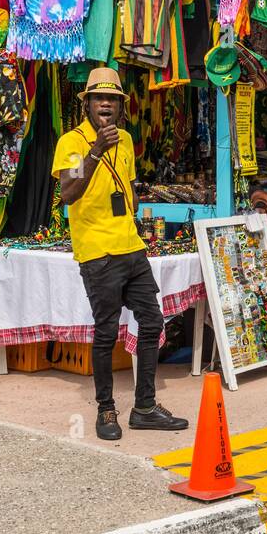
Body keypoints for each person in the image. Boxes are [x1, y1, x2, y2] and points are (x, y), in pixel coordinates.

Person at [52, 68, 189, 441]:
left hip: (131, 246)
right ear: (88, 105)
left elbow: (128, 188)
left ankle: (144, 407)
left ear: (120, 107)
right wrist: (96, 150)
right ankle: (106, 409)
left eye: (112, 99)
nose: (106, 105)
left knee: (152, 321)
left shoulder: (126, 140)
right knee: (107, 331)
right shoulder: (72, 143)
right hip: (97, 251)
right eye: (99, 99)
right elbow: (68, 192)